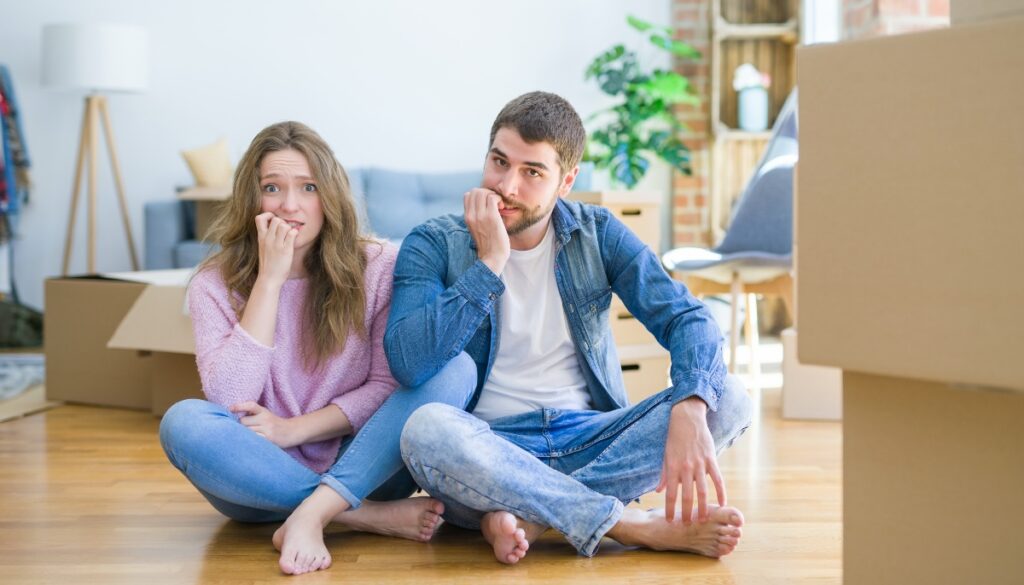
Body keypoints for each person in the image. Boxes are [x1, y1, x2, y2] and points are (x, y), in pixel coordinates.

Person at [387, 92, 754, 564]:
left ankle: (531, 515)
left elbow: (687, 317)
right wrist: (489, 264)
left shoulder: (597, 233)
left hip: (589, 436)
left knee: (730, 396)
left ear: (567, 181)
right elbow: (408, 362)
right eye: (499, 162)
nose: (507, 186)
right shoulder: (433, 242)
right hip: (491, 448)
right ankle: (625, 523)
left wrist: (689, 402)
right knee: (426, 429)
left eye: (532, 173)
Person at [158, 121, 474, 576]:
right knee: (182, 422)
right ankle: (354, 515)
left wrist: (294, 430)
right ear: (252, 199)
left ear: (329, 196)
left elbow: (389, 384)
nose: (290, 206)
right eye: (272, 188)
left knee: (453, 367)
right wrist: (269, 280)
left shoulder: (379, 265)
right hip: (258, 479)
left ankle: (314, 511)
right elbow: (228, 399)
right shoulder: (213, 283)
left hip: (367, 465)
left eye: (307, 187)